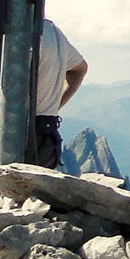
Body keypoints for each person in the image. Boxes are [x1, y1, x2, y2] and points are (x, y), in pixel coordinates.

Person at [33, 19, 89, 169]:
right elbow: (80, 69)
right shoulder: (54, 32)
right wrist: (53, 106)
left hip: (22, 135)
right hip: (47, 135)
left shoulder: (26, 35)